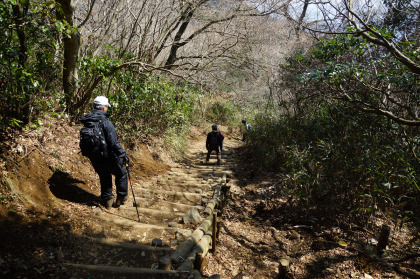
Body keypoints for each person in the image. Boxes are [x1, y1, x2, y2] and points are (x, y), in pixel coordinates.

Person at [81, 96, 129, 209]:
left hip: (94, 156)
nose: (107, 109)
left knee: (104, 175)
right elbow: (113, 143)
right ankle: (121, 199)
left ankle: (107, 201)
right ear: (103, 108)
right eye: (106, 106)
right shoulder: (106, 122)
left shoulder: (87, 122)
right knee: (121, 173)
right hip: (108, 155)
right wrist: (123, 154)